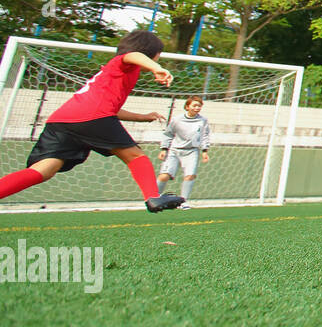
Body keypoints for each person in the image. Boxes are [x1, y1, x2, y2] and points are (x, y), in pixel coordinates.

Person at [0, 30, 185, 213]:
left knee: (44, 169)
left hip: (62, 120)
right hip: (92, 117)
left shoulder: (112, 74)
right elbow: (132, 55)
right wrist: (157, 68)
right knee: (135, 156)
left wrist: (142, 117)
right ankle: (153, 196)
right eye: (158, 54)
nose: (158, 58)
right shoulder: (124, 64)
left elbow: (109, 107)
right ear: (149, 52)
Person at [158, 96, 212, 205]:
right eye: (194, 105)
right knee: (165, 175)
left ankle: (183, 201)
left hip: (192, 151)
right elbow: (168, 134)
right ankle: (153, 197)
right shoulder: (177, 119)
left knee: (190, 175)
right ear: (187, 107)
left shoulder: (203, 120)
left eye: (199, 106)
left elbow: (205, 135)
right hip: (174, 151)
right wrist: (164, 149)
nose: (197, 108)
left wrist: (205, 151)